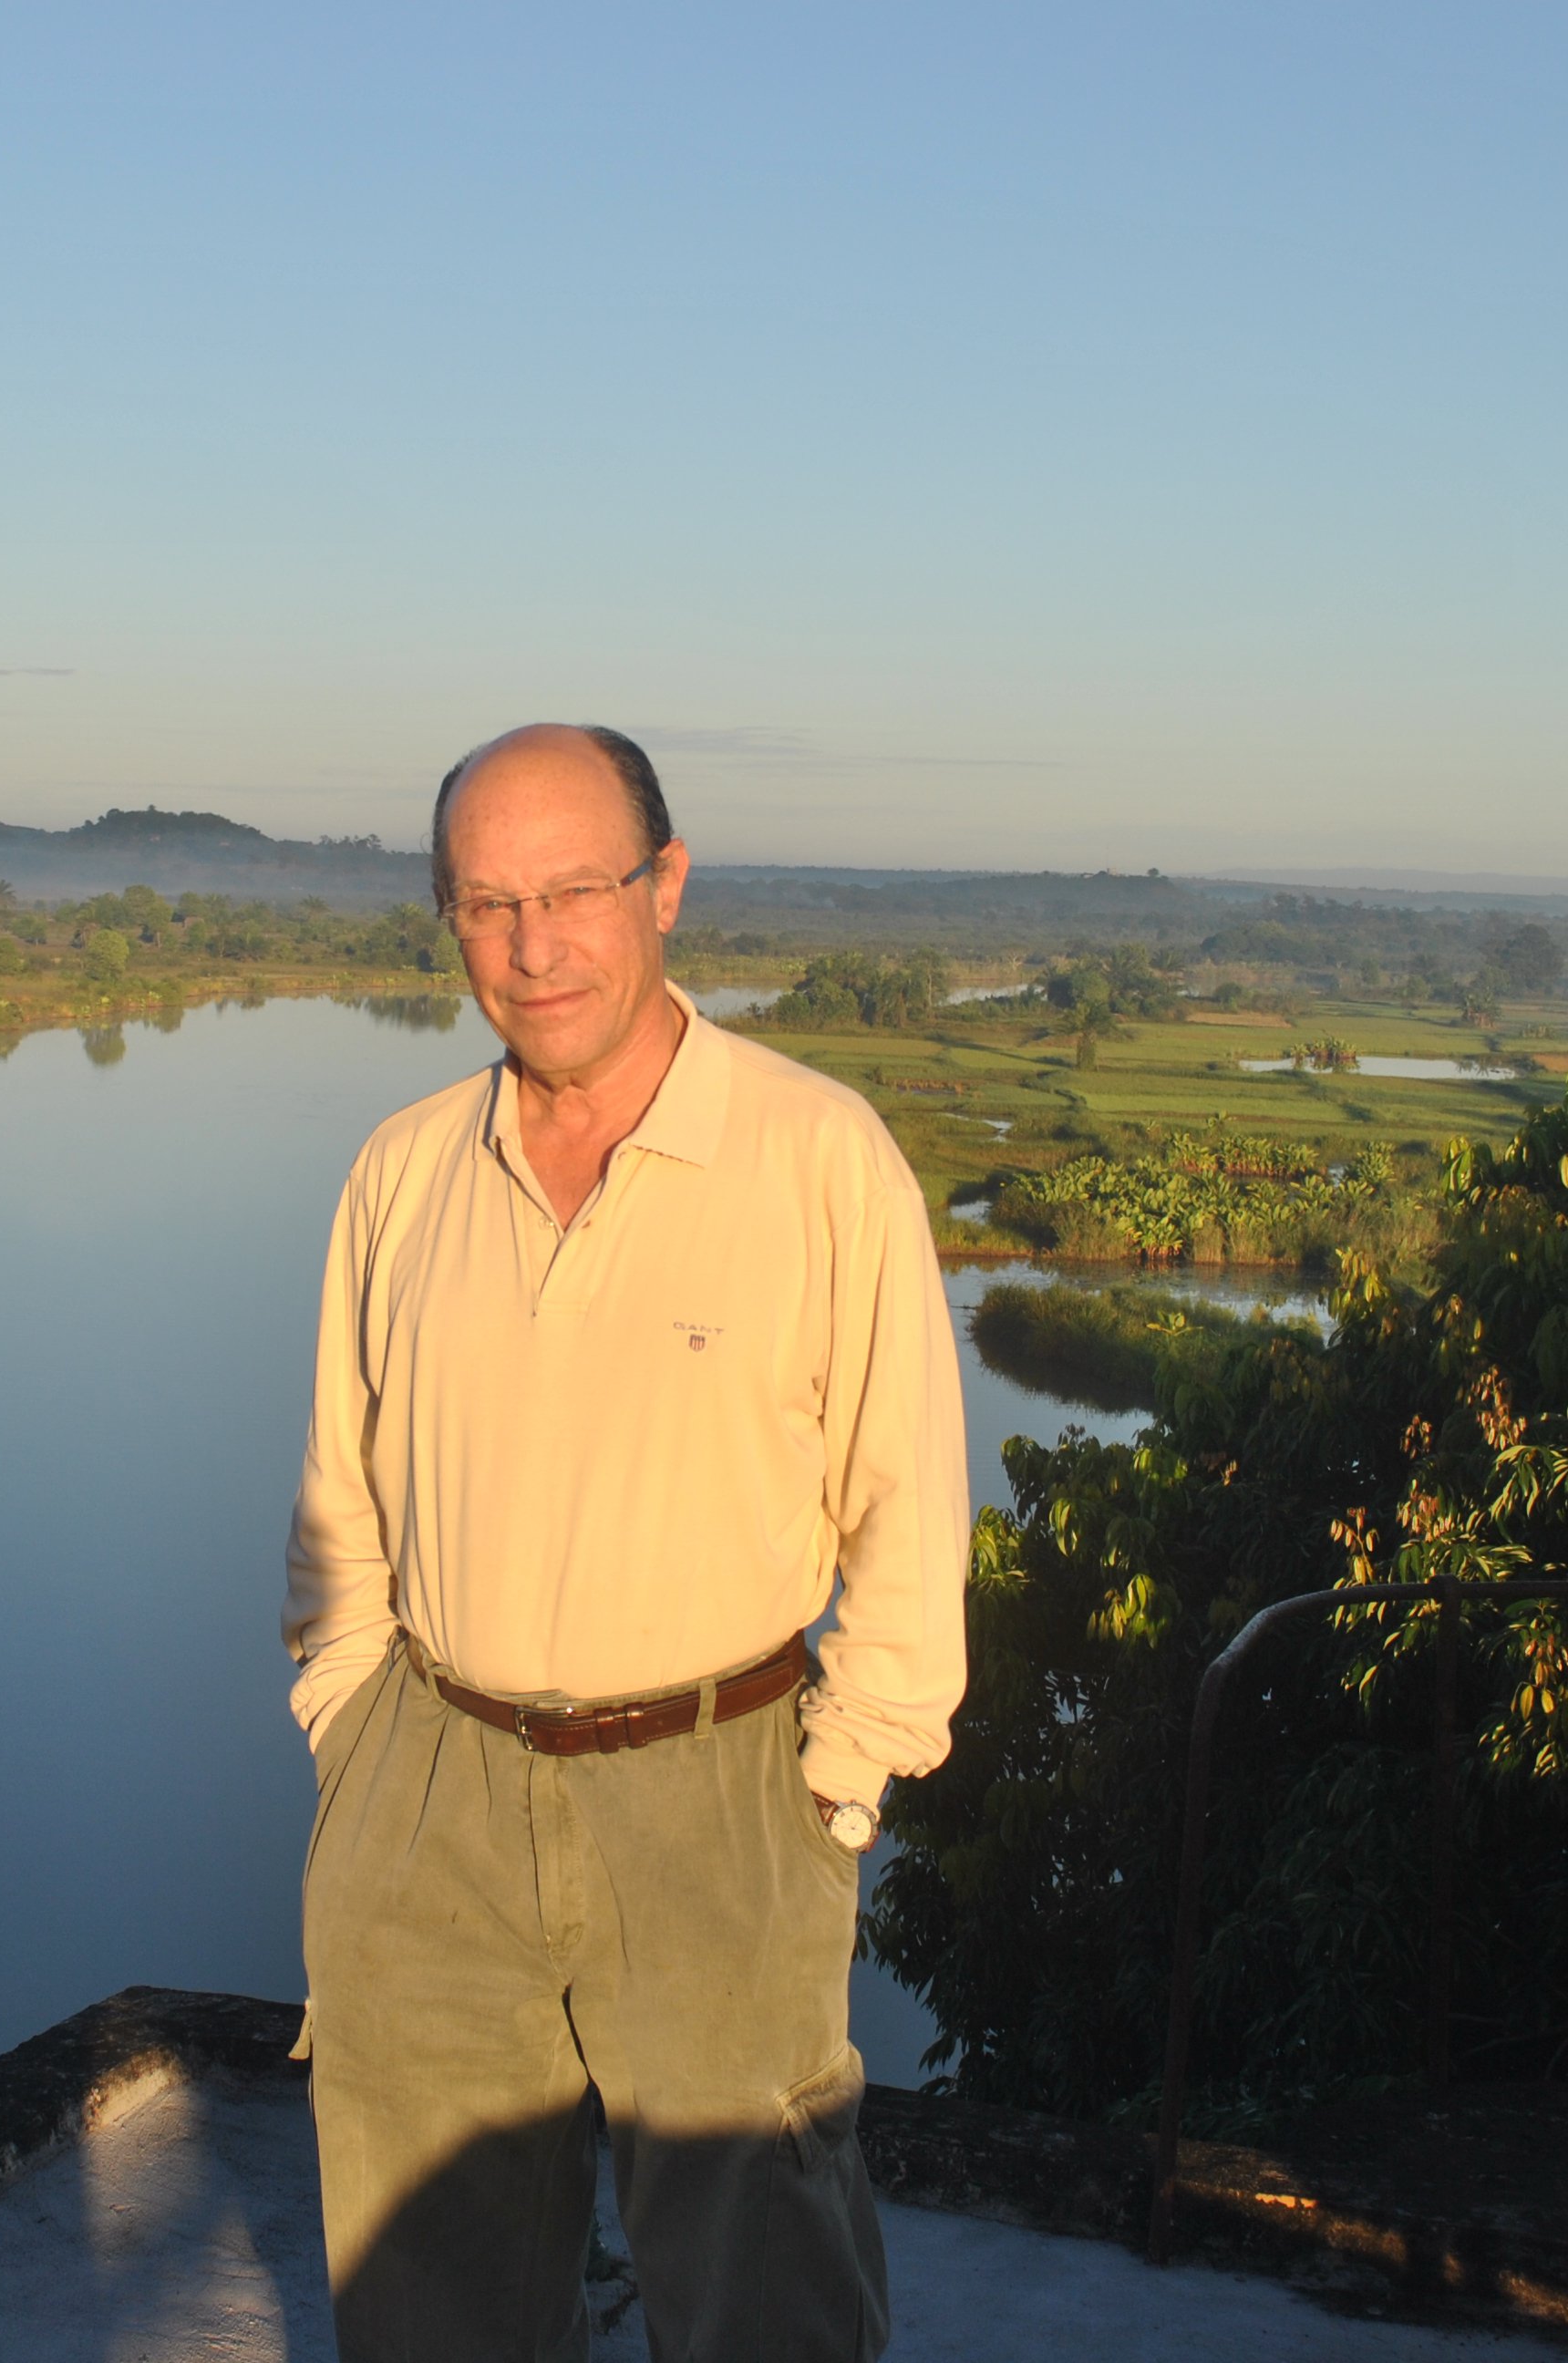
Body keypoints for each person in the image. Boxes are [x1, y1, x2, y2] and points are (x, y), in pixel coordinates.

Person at [283, 723, 969, 2360]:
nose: (535, 946)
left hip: (719, 1791)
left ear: (665, 886)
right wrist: (356, 1731)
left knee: (762, 2293)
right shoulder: (405, 1171)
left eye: (575, 891)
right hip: (431, 1785)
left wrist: (837, 1789)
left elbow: (908, 1513)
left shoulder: (816, 1157)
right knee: (428, 2296)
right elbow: (338, 1503)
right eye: (488, 903)